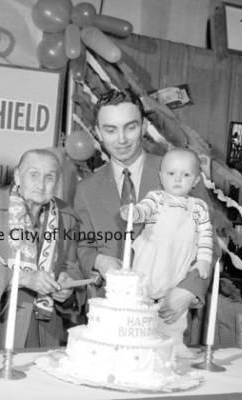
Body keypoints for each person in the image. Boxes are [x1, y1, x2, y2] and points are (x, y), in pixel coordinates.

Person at [74, 88, 217, 335]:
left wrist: (188, 291)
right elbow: (81, 246)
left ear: (143, 126)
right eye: (110, 130)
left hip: (169, 311)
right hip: (109, 316)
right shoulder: (85, 190)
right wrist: (98, 260)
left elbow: (209, 241)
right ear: (97, 132)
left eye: (130, 127)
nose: (121, 139)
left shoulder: (179, 171)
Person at [0, 149, 85, 351]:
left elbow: (70, 266)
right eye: (33, 175)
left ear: (57, 181)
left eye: (49, 177)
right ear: (17, 175)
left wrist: (68, 288)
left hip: (43, 326)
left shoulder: (66, 216)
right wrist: (25, 278)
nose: (41, 185)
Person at [120, 147, 213, 357]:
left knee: (174, 315)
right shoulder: (157, 198)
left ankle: (174, 343)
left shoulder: (199, 208)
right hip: (149, 267)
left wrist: (204, 260)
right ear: (161, 177)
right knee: (140, 308)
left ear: (196, 180)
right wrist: (133, 213)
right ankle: (136, 343)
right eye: (171, 173)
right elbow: (144, 210)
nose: (178, 179)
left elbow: (206, 235)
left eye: (186, 175)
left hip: (177, 270)